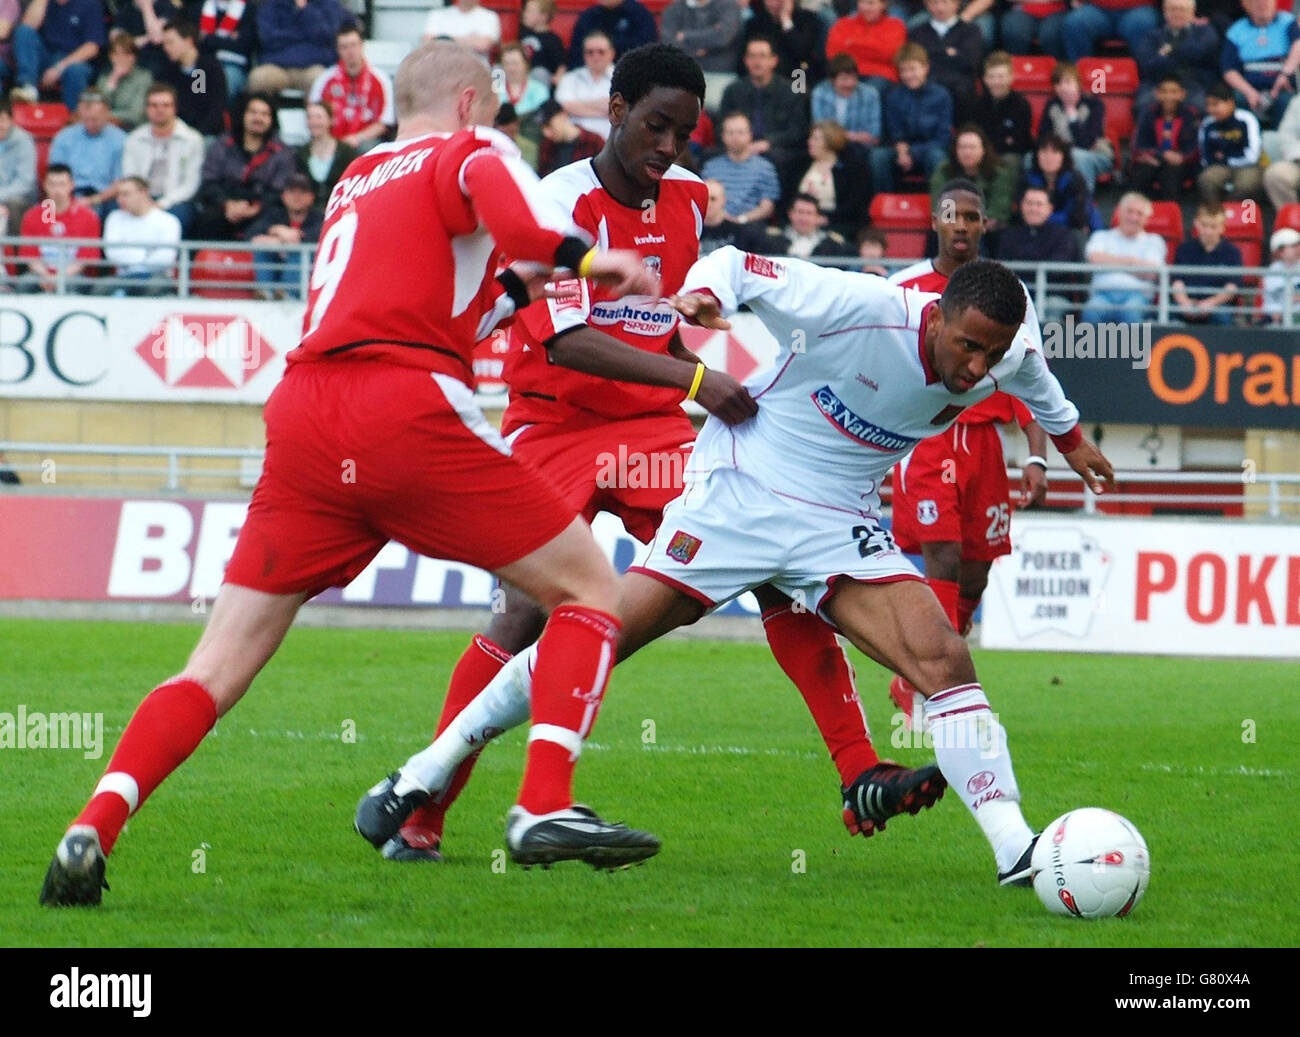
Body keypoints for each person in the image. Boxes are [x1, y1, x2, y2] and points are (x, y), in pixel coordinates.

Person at [39, 41, 665, 907]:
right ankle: (541, 805)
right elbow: (524, 235)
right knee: (592, 590)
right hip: (402, 406)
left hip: (302, 414)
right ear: (471, 103)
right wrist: (600, 261)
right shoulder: (475, 150)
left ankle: (93, 823)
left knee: (213, 668)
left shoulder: (357, 177)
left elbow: (479, 291)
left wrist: (526, 286)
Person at [363, 250, 1116, 887]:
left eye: (991, 352)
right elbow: (734, 264)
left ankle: (1016, 850)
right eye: (967, 347)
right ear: (936, 314)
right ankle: (425, 768)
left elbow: (1037, 380)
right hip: (740, 492)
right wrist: (704, 296)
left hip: (837, 520)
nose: (976, 365)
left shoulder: (1007, 352)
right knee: (602, 634)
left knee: (944, 657)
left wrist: (1074, 441)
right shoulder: (858, 305)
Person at [366, 45, 847, 865]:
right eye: (656, 125)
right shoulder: (554, 202)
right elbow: (565, 342)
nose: (668, 146)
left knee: (767, 559)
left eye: (684, 132)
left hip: (654, 429)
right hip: (552, 423)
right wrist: (700, 375)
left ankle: (859, 766)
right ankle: (422, 812)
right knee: (520, 615)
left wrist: (698, 315)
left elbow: (674, 299)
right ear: (615, 108)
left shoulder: (691, 197)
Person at [885, 180, 1048, 725]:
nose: (962, 225)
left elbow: (1032, 375)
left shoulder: (1011, 294)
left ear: (984, 225)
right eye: (952, 216)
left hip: (984, 445)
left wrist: (1037, 455)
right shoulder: (903, 287)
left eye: (972, 217)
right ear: (935, 221)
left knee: (974, 574)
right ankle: (933, 685)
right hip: (928, 439)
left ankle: (929, 672)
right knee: (944, 557)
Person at [717, 34, 811, 196]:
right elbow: (720, 126)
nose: (757, 62)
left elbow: (797, 131)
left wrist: (768, 142)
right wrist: (739, 142)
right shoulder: (733, 90)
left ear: (773, 60)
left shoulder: (791, 91)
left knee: (785, 159)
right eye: (752, 56)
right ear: (745, 61)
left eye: (762, 56)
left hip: (775, 150)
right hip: (736, 146)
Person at [193, 93, 295, 240]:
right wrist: (227, 204)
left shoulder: (283, 152)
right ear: (243, 115)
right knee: (206, 220)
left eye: (264, 114)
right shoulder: (222, 144)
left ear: (272, 119)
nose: (258, 118)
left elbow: (280, 190)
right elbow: (210, 181)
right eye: (253, 112)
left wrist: (256, 207)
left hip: (263, 210)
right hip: (224, 207)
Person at [119, 82, 204, 232]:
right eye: (154, 105)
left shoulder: (192, 139)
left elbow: (191, 183)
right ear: (146, 109)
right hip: (140, 197)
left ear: (174, 108)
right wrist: (142, 201)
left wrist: (163, 203)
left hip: (175, 201)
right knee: (115, 210)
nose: (160, 110)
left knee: (181, 213)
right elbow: (130, 175)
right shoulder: (134, 138)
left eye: (166, 105)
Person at [871, 43, 952, 193]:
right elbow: (895, 132)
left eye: (913, 69)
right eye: (903, 70)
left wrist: (912, 152)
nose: (908, 75)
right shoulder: (893, 96)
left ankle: (940, 208)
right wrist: (902, 152)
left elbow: (943, 138)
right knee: (879, 156)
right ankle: (885, 206)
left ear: (925, 68)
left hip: (929, 150)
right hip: (901, 151)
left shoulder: (942, 95)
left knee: (937, 157)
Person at [995, 184, 1082, 321]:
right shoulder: (1009, 235)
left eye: (1039, 204)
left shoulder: (1063, 236)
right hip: (1015, 296)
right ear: (1021, 206)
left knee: (1052, 308)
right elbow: (1004, 268)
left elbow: (1056, 269)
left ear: (1050, 209)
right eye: (1029, 204)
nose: (1033, 209)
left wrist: (1024, 263)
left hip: (1052, 296)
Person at [1081, 191, 1166, 325]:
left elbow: (1151, 273)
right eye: (1129, 211)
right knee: (1091, 312)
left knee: (1130, 313)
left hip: (1137, 297)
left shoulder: (1154, 240)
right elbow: (1094, 258)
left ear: (1147, 218)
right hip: (1102, 295)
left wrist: (1110, 262)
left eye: (1139, 213)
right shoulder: (1101, 236)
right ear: (1119, 212)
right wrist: (1131, 262)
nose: (1133, 217)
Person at [308, 24, 395, 151]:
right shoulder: (325, 79)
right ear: (338, 50)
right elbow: (313, 114)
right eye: (344, 47)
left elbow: (383, 123)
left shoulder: (381, 79)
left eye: (353, 45)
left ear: (362, 46)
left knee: (368, 148)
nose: (350, 51)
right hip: (331, 142)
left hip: (364, 142)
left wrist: (357, 138)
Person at [16, 163, 100, 292]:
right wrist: (45, 276)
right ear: (44, 185)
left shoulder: (88, 217)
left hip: (73, 275)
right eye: (52, 184)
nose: (57, 190)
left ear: (72, 185)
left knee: (73, 285)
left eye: (62, 184)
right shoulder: (32, 216)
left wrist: (60, 278)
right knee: (25, 283)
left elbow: (84, 259)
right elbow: (30, 255)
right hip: (41, 275)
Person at [1221, 0, 1300, 130]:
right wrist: (1249, 92)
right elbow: (1229, 69)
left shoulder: (1288, 22)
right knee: (1238, 100)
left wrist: (1285, 74)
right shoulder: (1237, 30)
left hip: (1282, 86)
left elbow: (1298, 46)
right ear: (1247, 6)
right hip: (1249, 89)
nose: (1262, 5)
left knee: (1286, 102)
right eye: (1257, 2)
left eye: (1266, 2)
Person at [10, 0, 105, 108]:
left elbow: (92, 47)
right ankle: (28, 87)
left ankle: (74, 116)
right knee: (23, 32)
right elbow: (28, 26)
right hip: (47, 54)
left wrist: (59, 68)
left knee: (75, 70)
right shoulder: (46, 3)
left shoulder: (89, 4)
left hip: (75, 59)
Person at [248, 0, 352, 97]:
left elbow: (326, 35)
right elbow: (267, 38)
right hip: (277, 66)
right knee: (258, 78)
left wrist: (305, 9)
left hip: (313, 67)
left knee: (322, 81)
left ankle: (316, 116)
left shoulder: (328, 4)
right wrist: (305, 35)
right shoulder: (272, 4)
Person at [99, 175, 180, 295]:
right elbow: (112, 252)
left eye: (126, 194)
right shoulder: (114, 217)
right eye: (118, 195)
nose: (120, 200)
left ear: (143, 193)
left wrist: (133, 258)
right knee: (102, 287)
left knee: (153, 287)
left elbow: (166, 258)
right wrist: (146, 255)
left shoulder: (168, 221)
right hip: (123, 277)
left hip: (157, 276)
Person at [245, 172, 322, 299]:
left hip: (307, 279)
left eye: (302, 192)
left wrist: (281, 241)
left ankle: (287, 293)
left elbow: (311, 238)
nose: (297, 197)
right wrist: (276, 229)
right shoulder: (274, 215)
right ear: (284, 196)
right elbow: (251, 235)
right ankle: (265, 293)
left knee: (298, 253)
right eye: (292, 192)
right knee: (263, 250)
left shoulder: (319, 217)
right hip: (276, 267)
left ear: (311, 197)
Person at [1040, 60, 1113, 193]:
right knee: (1029, 158)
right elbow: (1043, 137)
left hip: (1096, 154)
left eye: (1067, 82)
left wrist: (1072, 116)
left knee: (1078, 155)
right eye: (1058, 83)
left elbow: (1086, 144)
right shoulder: (1052, 105)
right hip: (1061, 153)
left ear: (1078, 84)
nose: (1062, 87)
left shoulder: (1094, 104)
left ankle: (1082, 205)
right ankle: (1042, 202)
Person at [1133, 0, 1219, 112]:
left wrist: (1167, 52)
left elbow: (1198, 52)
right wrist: (1182, 56)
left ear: (1192, 12)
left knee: (1200, 106)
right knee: (1143, 104)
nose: (1177, 14)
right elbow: (1148, 64)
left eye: (1182, 9)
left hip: (1193, 84)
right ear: (1164, 12)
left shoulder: (1205, 33)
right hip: (1157, 83)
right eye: (1173, 9)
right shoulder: (1151, 36)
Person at [48, 90, 125, 213]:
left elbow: (121, 182)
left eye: (95, 119)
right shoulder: (64, 137)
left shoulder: (120, 139)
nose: (90, 124)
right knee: (49, 209)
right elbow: (55, 174)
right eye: (86, 119)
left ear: (107, 113)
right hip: (69, 193)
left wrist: (94, 200)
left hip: (106, 197)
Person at [701, 111, 781, 227]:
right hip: (713, 227)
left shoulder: (765, 168)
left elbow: (767, 207)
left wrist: (740, 219)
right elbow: (702, 201)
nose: (735, 137)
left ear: (750, 135)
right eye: (730, 132)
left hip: (749, 227)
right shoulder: (710, 168)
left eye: (740, 132)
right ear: (723, 136)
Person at [908, 0, 984, 121]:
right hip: (927, 89)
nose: (939, 7)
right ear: (927, 5)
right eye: (934, 3)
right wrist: (948, 53)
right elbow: (914, 62)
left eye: (945, 2)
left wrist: (933, 54)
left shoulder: (971, 30)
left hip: (961, 92)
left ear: (956, 4)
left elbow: (970, 62)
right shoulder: (917, 32)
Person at [929, 124, 1014, 230]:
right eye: (962, 147)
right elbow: (941, 211)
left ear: (983, 150)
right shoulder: (944, 171)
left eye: (972, 147)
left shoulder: (999, 173)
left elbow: (997, 213)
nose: (967, 152)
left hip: (988, 232)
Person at [1129, 74, 1200, 200]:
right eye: (1164, 92)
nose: (1169, 96)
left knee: (1171, 172)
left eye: (1174, 92)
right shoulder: (1148, 113)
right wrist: (1160, 155)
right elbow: (1138, 145)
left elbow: (1195, 147)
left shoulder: (1191, 114)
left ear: (1182, 94)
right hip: (1154, 158)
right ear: (1157, 94)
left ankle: (1171, 212)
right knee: (1143, 170)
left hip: (1181, 163)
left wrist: (1182, 157)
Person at [795, 119, 872, 234]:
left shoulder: (853, 167)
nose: (809, 142)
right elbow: (790, 198)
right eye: (810, 138)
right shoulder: (800, 164)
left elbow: (855, 205)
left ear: (830, 141)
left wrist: (826, 218)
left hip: (837, 225)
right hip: (800, 222)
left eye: (815, 138)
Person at [1170, 203, 1241, 325]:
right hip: (1186, 304)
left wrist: (1210, 303)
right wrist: (1185, 303)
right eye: (1204, 225)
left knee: (1222, 317)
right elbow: (1177, 282)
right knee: (1167, 314)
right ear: (1196, 223)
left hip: (1217, 306)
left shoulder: (1232, 252)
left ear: (1222, 227)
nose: (1208, 231)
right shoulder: (1184, 249)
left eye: (1213, 227)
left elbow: (1231, 287)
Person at [157, 18, 228, 139]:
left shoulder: (210, 67)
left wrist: (197, 134)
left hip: (206, 134)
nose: (166, 48)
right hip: (175, 135)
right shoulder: (167, 73)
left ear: (188, 41)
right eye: (164, 43)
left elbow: (216, 107)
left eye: (170, 42)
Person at [1018, 133, 1101, 233]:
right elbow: (1021, 213)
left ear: (1063, 157)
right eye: (1044, 151)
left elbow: (1077, 215)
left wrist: (1042, 216)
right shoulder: (1027, 179)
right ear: (1037, 155)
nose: (1049, 157)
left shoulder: (1075, 179)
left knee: (1093, 214)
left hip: (1069, 230)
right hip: (1035, 229)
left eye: (1055, 152)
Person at [1197, 80, 1264, 203]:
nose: (1211, 109)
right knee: (1206, 179)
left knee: (1246, 185)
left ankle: (1233, 216)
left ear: (1231, 103)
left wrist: (1226, 158)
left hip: (1248, 166)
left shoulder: (1246, 119)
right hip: (1219, 166)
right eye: (1208, 105)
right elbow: (1206, 156)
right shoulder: (1207, 123)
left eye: (1215, 104)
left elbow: (1252, 156)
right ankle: (1214, 214)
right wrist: (1222, 159)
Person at [970, 51, 1033, 170]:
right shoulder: (977, 105)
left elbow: (1019, 142)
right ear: (985, 79)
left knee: (1010, 160)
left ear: (1011, 77)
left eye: (1000, 76)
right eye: (991, 77)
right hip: (982, 155)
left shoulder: (1021, 105)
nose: (996, 82)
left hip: (1011, 156)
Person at [827, 0, 906, 90]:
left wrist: (852, 44)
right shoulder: (843, 23)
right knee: (822, 90)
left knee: (867, 92)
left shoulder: (896, 25)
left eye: (871, 3)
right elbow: (833, 54)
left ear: (883, 5)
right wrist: (872, 48)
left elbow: (888, 54)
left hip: (880, 76)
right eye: (862, 2)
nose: (865, 8)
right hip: (846, 72)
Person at [742, 0, 827, 83]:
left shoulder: (808, 19)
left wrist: (786, 21)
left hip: (798, 77)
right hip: (764, 79)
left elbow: (802, 52)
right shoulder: (755, 23)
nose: (774, 4)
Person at [752, 191, 856, 257]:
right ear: (790, 214)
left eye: (809, 213)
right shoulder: (770, 239)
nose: (804, 218)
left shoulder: (834, 244)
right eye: (800, 212)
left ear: (818, 217)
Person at [556, 30, 616, 141]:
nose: (595, 56)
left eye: (601, 52)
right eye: (590, 52)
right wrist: (606, 108)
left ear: (611, 53)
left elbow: (622, 109)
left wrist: (578, 105)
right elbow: (564, 106)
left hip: (611, 144)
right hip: (576, 145)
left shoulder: (622, 77)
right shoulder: (569, 78)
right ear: (584, 54)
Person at [811, 53, 882, 148]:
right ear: (832, 80)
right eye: (844, 79)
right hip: (829, 147)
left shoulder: (870, 94)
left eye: (853, 77)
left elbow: (874, 134)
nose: (850, 83)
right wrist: (854, 136)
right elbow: (820, 129)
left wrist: (840, 136)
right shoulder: (820, 93)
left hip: (860, 148)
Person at [295, 99, 357, 206]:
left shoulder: (346, 151)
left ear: (330, 120)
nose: (314, 122)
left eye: (319, 117)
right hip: (309, 213)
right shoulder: (300, 153)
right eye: (310, 117)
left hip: (339, 207)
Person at [1062, 0, 1160, 64]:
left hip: (1138, 7)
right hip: (1097, 8)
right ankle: (1079, 78)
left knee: (1142, 24)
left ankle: (1144, 80)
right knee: (1075, 23)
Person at [566, 0, 657, 68]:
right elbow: (576, 53)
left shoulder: (640, 15)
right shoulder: (589, 16)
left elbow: (647, 50)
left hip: (630, 74)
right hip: (589, 76)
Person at [198, 0, 257, 100]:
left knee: (224, 84)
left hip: (233, 65)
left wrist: (209, 39)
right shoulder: (199, 7)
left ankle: (221, 115)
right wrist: (229, 39)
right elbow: (197, 43)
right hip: (204, 64)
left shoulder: (249, 8)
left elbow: (244, 44)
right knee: (197, 86)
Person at [95, 30, 152, 130]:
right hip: (105, 129)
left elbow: (136, 114)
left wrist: (105, 115)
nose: (121, 59)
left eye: (126, 54)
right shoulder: (105, 77)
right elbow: (97, 106)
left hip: (133, 129)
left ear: (134, 57)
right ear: (111, 57)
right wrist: (113, 80)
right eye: (116, 54)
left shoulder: (144, 78)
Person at [536, 98, 605, 177]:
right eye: (542, 128)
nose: (546, 133)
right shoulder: (546, 146)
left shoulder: (593, 141)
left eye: (549, 125)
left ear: (562, 115)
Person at [0, 99, 37, 234]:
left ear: (11, 121)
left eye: (3, 120)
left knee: (14, 204)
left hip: (20, 198)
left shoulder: (23, 141)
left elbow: (25, 183)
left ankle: (17, 251)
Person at [422, 0, 501, 59]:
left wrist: (444, 39)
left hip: (476, 67)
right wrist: (471, 40)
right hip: (440, 64)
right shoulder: (437, 14)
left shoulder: (489, 16)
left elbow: (483, 45)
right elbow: (427, 42)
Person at [494, 42, 549, 124]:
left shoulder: (539, 89)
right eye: (506, 64)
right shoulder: (496, 89)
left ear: (526, 64)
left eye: (515, 63)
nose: (511, 68)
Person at [1264, 93, 1300, 208]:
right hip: (1298, 160)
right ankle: (1291, 221)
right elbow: (1286, 135)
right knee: (1276, 174)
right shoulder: (1298, 102)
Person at [519, 0, 567, 86]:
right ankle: (497, 97)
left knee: (539, 72)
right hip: (521, 74)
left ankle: (539, 99)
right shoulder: (523, 34)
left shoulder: (553, 40)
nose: (524, 14)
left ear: (543, 17)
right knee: (498, 70)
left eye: (529, 11)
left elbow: (561, 65)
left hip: (540, 79)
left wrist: (558, 77)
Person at [999, 0, 1067, 59]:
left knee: (1050, 34)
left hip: (1057, 11)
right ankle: (1014, 69)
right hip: (1021, 10)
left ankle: (1058, 70)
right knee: (1015, 32)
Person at [1261, 226, 1300, 323]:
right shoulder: (1272, 272)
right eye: (1292, 246)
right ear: (1279, 251)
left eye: (1298, 245)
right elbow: (1274, 300)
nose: (1297, 248)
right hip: (1277, 318)